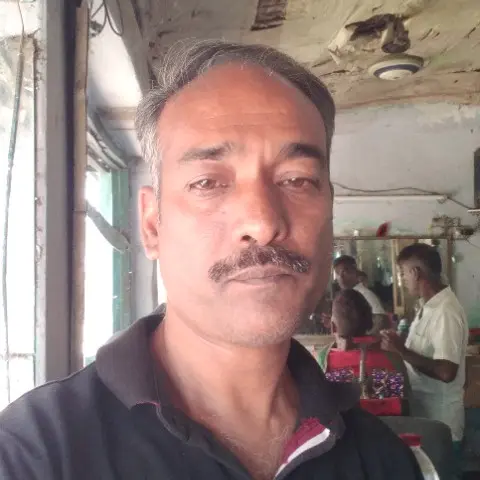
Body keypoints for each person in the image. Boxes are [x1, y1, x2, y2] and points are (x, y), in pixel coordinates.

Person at [0, 40, 422, 480]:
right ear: (152, 225)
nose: (262, 222)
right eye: (208, 182)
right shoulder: (34, 456)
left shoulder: (383, 460)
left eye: (297, 180)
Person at [381, 243, 467, 468]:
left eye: (403, 273)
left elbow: (447, 372)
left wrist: (402, 350)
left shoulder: (446, 311)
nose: (402, 280)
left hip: (441, 424)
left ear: (415, 273)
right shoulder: (427, 307)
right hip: (424, 415)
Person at [317, 289, 410, 412]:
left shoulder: (322, 361)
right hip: (388, 423)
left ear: (333, 327)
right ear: (369, 322)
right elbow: (406, 406)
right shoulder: (393, 359)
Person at [333, 255, 389, 333]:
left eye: (344, 272)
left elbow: (381, 320)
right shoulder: (342, 297)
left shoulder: (365, 294)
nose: (341, 277)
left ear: (355, 272)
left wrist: (366, 337)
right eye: (337, 273)